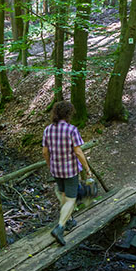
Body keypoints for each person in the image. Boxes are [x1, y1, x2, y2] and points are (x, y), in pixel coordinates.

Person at [42, 101, 92, 246]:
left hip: (56, 169)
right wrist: (87, 168)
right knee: (71, 199)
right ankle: (60, 227)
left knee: (64, 195)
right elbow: (78, 151)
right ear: (68, 114)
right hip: (70, 170)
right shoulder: (71, 130)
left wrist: (50, 165)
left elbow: (45, 152)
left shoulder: (48, 130)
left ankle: (68, 220)